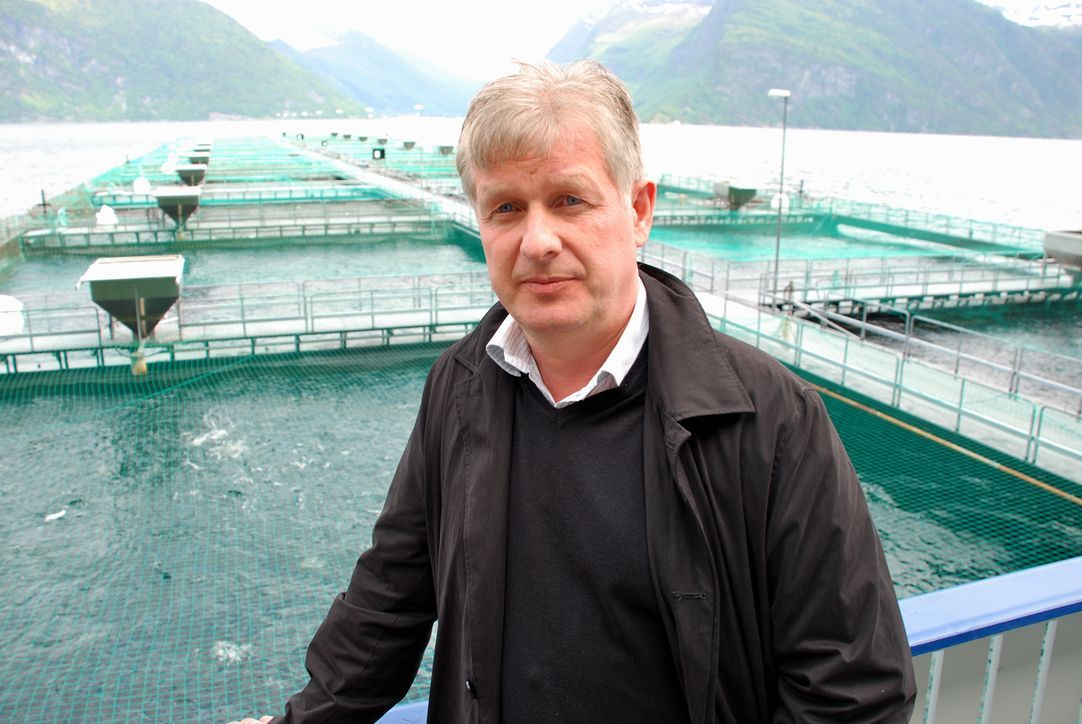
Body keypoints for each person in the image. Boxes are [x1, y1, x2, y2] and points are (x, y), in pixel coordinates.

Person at [233, 59, 915, 724]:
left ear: (639, 210)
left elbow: (854, 690)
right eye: (506, 208)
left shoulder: (770, 420)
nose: (538, 241)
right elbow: (392, 595)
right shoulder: (459, 387)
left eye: (569, 200)